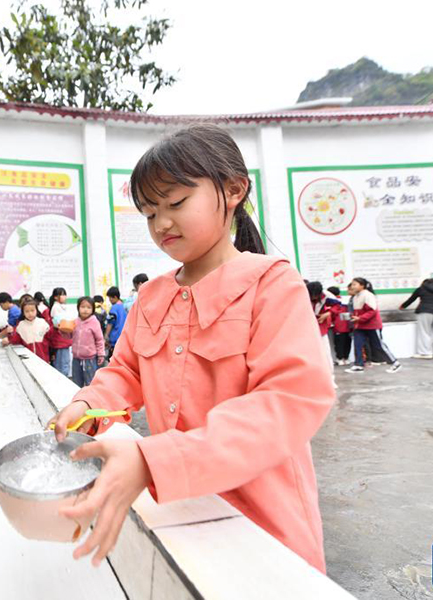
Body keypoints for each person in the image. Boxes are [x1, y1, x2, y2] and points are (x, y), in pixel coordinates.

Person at [47, 123, 334, 573]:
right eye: (148, 212)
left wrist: (153, 461)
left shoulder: (272, 284)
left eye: (176, 203)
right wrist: (85, 405)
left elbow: (288, 401)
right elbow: (126, 373)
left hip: (266, 526)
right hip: (184, 512)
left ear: (234, 189)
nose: (161, 223)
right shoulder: (151, 297)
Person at [344, 278, 401, 373]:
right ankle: (358, 365)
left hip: (372, 325)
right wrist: (353, 317)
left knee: (379, 345)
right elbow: (357, 311)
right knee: (358, 344)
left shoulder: (368, 295)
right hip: (360, 325)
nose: (352, 286)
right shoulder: (355, 297)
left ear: (362, 286)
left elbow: (372, 311)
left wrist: (360, 318)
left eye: (355, 284)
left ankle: (395, 363)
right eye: (352, 284)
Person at [400, 278, 433, 359]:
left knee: (424, 332)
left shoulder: (421, 289)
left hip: (425, 311)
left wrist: (403, 306)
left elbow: (412, 299)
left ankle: (426, 353)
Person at [307, 282, 339, 385]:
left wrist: (328, 313)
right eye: (312, 295)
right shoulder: (302, 294)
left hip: (321, 328)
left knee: (325, 353)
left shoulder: (327, 296)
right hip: (306, 328)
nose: (314, 297)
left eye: (316, 295)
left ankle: (330, 379)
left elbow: (338, 305)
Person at [71, 297, 105, 387]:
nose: (85, 310)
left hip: (89, 359)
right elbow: (70, 336)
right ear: (78, 308)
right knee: (76, 383)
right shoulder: (75, 322)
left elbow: (99, 340)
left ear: (92, 309)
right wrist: (63, 331)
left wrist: (101, 354)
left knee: (90, 382)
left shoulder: (94, 322)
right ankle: (78, 399)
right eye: (83, 307)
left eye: (88, 307)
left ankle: (91, 400)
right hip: (76, 359)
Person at [48, 287, 73, 377]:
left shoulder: (62, 307)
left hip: (64, 338)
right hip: (60, 339)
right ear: (55, 297)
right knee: (62, 364)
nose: (64, 296)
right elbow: (58, 324)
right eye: (62, 294)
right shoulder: (56, 308)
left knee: (65, 362)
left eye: (64, 294)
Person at [327, 286, 351, 365]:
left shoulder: (333, 303)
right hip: (348, 325)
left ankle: (339, 358)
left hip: (338, 327)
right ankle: (346, 358)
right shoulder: (346, 301)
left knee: (339, 343)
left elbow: (332, 313)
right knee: (347, 342)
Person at [103, 287, 127, 360]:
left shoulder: (114, 308)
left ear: (115, 297)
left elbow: (110, 323)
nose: (110, 300)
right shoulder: (125, 306)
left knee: (113, 361)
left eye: (110, 298)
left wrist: (106, 336)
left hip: (115, 339)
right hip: (124, 338)